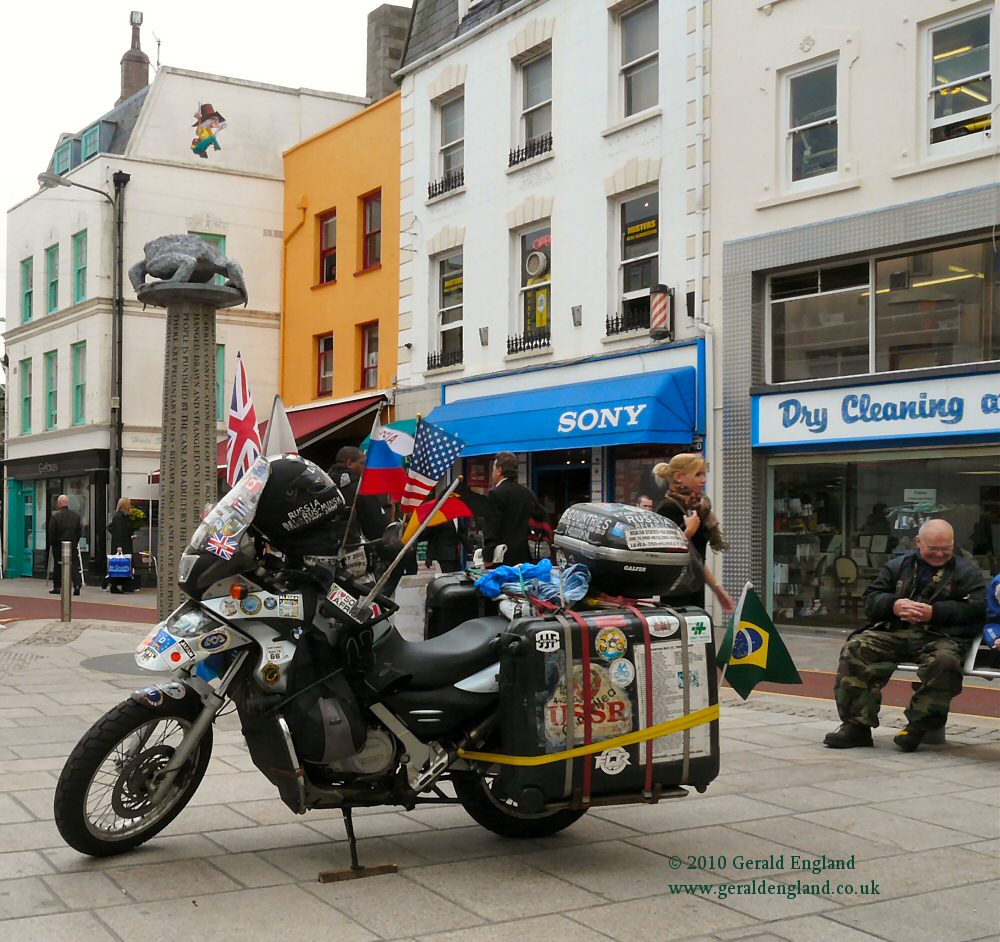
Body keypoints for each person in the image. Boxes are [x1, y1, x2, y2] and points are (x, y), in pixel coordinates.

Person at [824, 519, 987, 752]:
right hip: (896, 632)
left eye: (946, 549)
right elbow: (871, 600)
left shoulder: (967, 572)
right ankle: (856, 726)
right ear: (918, 542)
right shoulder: (897, 566)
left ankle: (917, 728)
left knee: (945, 662)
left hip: (942, 636)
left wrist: (935, 612)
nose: (939, 554)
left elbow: (978, 610)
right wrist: (894, 605)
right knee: (857, 648)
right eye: (933, 548)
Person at [655, 453, 734, 613]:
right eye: (698, 474)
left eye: (704, 474)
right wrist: (688, 532)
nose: (703, 480)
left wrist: (717, 589)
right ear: (679, 477)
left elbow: (697, 558)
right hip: (676, 593)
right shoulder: (668, 508)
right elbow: (665, 552)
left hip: (695, 590)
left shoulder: (698, 509)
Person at [483, 452, 546, 566]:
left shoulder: (495, 494)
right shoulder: (526, 493)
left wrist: (488, 556)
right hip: (524, 556)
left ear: (499, 471)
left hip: (501, 558)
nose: (493, 473)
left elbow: (492, 528)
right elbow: (541, 515)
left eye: (493, 469)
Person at [327, 445, 387, 542]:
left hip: (334, 543)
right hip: (361, 544)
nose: (365, 467)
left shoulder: (326, 485)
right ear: (350, 463)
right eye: (362, 463)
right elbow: (376, 521)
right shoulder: (361, 487)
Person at [47, 495, 83, 596]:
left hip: (59, 544)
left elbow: (51, 531)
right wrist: (75, 541)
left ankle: (57, 587)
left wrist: (52, 542)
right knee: (74, 564)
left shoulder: (55, 516)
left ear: (59, 503)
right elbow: (79, 531)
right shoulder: (76, 516)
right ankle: (77, 584)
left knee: (58, 565)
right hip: (72, 543)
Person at [105, 497, 135, 593]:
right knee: (120, 565)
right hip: (121, 544)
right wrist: (119, 545)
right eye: (129, 504)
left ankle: (125, 584)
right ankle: (113, 584)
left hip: (125, 543)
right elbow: (118, 531)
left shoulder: (124, 516)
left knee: (125, 564)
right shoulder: (118, 517)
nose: (130, 506)